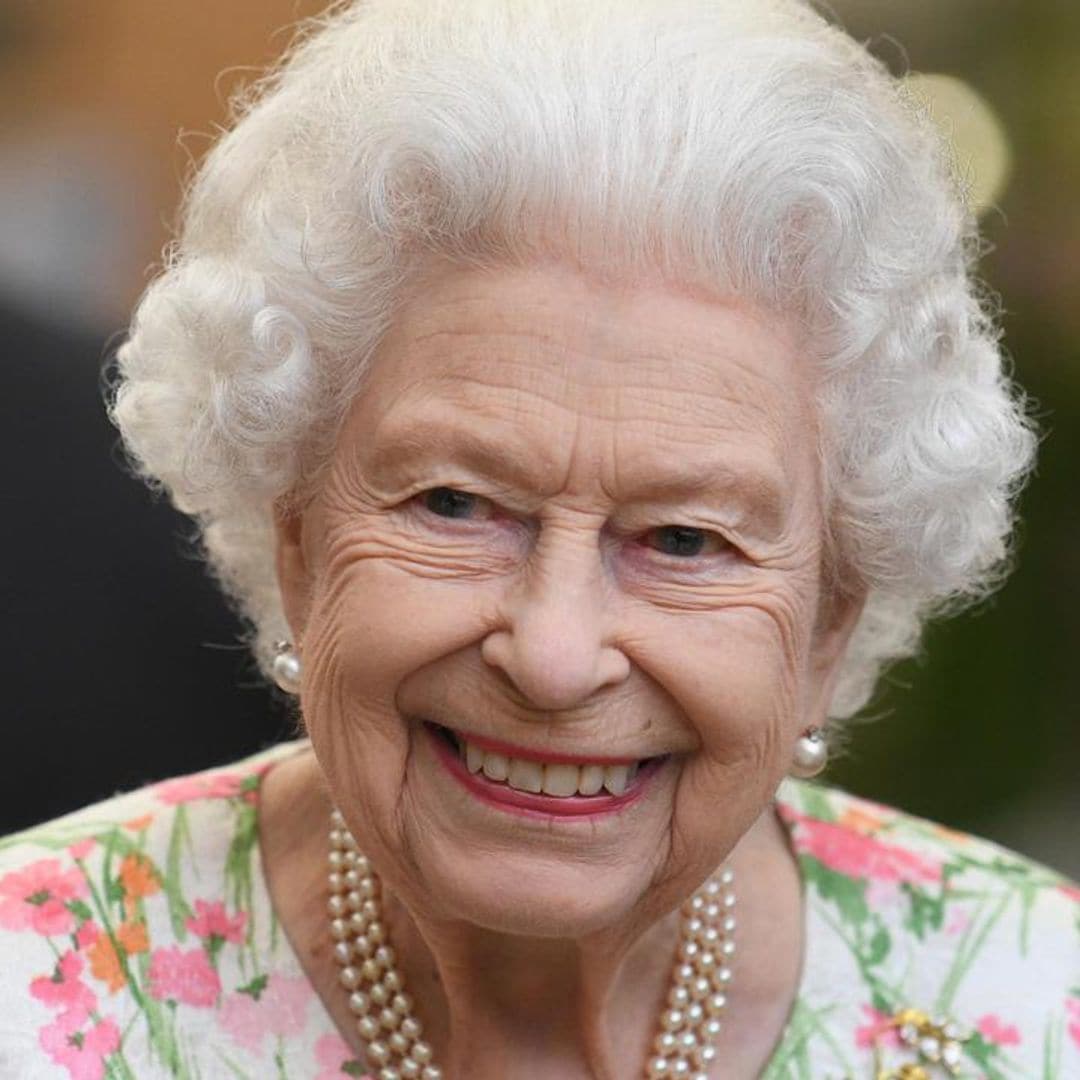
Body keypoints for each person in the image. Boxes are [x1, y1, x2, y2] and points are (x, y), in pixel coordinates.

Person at [1, 1, 1076, 1077]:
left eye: (686, 539)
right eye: (457, 505)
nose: (555, 657)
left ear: (830, 620)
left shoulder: (1036, 1010)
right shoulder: (32, 997)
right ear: (299, 542)